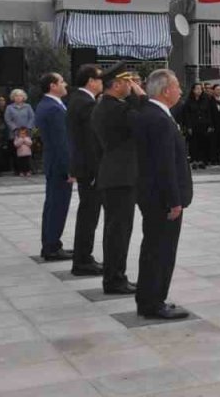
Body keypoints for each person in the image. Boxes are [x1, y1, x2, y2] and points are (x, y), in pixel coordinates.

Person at [133, 69, 193, 320]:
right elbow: (164, 164)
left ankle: (148, 298)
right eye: (177, 86)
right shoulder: (158, 119)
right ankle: (154, 302)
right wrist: (174, 200)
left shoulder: (149, 113)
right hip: (161, 198)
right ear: (166, 90)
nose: (180, 90)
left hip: (151, 194)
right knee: (161, 250)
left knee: (153, 248)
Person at [91, 63, 144, 295]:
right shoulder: (114, 109)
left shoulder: (107, 106)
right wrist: (140, 97)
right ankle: (114, 280)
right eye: (127, 82)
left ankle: (115, 276)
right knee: (118, 232)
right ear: (117, 84)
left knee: (117, 231)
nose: (131, 86)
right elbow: (143, 116)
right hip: (119, 177)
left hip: (116, 175)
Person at [67, 64, 105, 277]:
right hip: (89, 170)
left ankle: (83, 257)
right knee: (89, 216)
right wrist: (95, 170)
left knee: (88, 214)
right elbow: (90, 142)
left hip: (84, 167)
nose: (102, 83)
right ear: (91, 81)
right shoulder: (85, 103)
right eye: (99, 79)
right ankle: (82, 261)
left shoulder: (79, 100)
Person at [35, 73, 73, 260]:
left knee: (53, 204)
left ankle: (51, 243)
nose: (65, 84)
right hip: (59, 164)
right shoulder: (53, 109)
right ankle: (51, 247)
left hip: (53, 161)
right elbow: (61, 142)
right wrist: (69, 168)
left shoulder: (50, 104)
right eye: (61, 82)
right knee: (57, 205)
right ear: (52, 86)